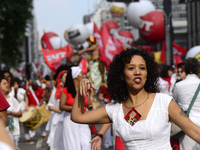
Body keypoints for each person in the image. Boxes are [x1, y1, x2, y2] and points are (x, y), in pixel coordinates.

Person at [71, 47, 200, 150]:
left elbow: (195, 132)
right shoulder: (115, 109)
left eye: (142, 68)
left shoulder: (164, 102)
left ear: (147, 73)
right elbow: (78, 117)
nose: (137, 72)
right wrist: (82, 87)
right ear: (121, 75)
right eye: (131, 68)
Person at [60, 66, 91, 150]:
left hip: (83, 118)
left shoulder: (85, 89)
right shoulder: (66, 90)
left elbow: (89, 104)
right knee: (72, 145)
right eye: (82, 74)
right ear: (76, 76)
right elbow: (61, 106)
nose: (84, 76)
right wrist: (75, 108)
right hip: (70, 119)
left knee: (86, 143)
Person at [173, 58, 200, 150]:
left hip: (186, 126)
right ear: (198, 69)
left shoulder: (178, 85)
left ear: (185, 69)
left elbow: (174, 104)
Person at [46, 70, 67, 150]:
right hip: (57, 120)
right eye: (65, 77)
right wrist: (58, 110)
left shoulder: (72, 91)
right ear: (60, 79)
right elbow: (50, 105)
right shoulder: (55, 92)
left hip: (68, 119)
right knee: (56, 142)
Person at [0, 77, 22, 150]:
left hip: (11, 127)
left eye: (7, 83)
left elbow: (20, 113)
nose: (7, 85)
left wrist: (11, 113)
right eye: (4, 84)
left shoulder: (12, 99)